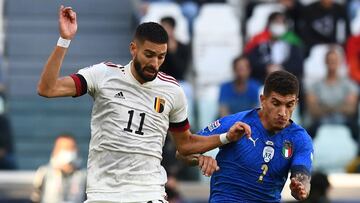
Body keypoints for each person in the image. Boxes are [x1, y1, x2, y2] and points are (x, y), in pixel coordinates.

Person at [37, 5, 249, 203]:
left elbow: (185, 145)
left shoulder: (172, 91)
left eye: (161, 57)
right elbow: (48, 89)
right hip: (103, 193)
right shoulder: (103, 75)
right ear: (133, 49)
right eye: (149, 55)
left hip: (148, 192)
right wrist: (64, 40)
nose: (154, 63)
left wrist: (226, 137)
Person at [179, 70, 313, 202]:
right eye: (276, 103)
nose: (283, 113)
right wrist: (199, 158)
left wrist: (301, 189)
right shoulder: (236, 124)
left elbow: (302, 177)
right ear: (263, 100)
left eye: (289, 105)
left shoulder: (300, 139)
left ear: (296, 103)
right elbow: (182, 152)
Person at [305, 49, 359, 144]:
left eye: (334, 60)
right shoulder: (315, 86)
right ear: (325, 62)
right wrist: (340, 106)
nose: (332, 63)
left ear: (340, 62)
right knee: (305, 134)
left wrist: (324, 107)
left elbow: (351, 109)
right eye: (330, 60)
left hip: (344, 120)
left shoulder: (350, 85)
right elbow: (313, 110)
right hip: (320, 121)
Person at [244, 12, 304, 83]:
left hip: (286, 81)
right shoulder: (259, 41)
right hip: (262, 79)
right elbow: (250, 60)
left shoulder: (292, 42)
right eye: (276, 22)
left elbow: (298, 65)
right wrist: (266, 68)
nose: (279, 25)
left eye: (282, 23)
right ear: (269, 24)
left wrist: (281, 68)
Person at [31, 134, 86, 203]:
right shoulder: (44, 173)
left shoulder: (84, 176)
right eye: (63, 148)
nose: (67, 152)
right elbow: (36, 198)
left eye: (70, 148)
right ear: (55, 150)